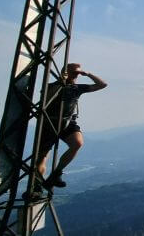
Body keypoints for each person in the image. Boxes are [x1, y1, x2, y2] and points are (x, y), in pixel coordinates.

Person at [35, 63, 108, 191]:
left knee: (77, 143)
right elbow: (46, 98)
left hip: (67, 122)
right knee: (42, 156)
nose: (76, 76)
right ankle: (37, 186)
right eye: (74, 73)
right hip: (49, 122)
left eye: (77, 73)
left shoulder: (77, 88)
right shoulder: (52, 86)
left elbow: (102, 85)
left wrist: (88, 74)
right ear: (65, 72)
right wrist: (61, 83)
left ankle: (56, 173)